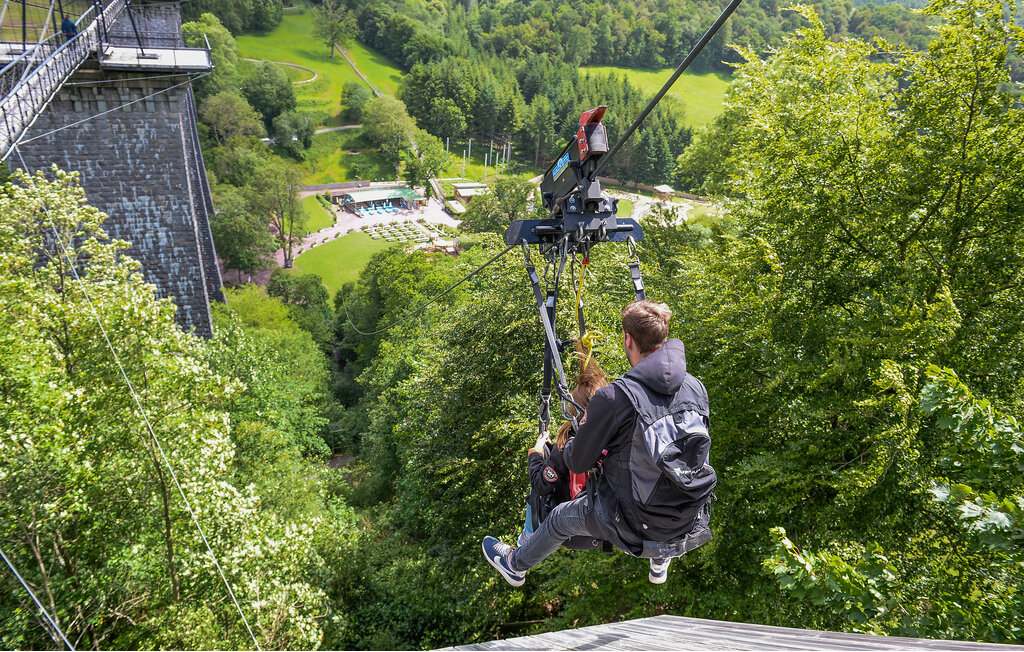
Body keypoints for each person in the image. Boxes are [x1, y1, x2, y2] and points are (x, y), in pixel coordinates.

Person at [483, 299, 716, 586]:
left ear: (627, 339)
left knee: (558, 519)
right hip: (688, 515)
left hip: (631, 520)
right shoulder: (695, 386)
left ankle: (514, 565)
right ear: (663, 336)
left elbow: (578, 461)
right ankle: (661, 557)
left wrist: (570, 439)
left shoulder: (616, 397)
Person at [519, 348, 609, 548]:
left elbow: (540, 485)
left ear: (574, 411)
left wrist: (535, 454)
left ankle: (526, 539)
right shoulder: (617, 436)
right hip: (611, 527)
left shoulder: (568, 445)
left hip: (573, 528)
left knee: (534, 496)